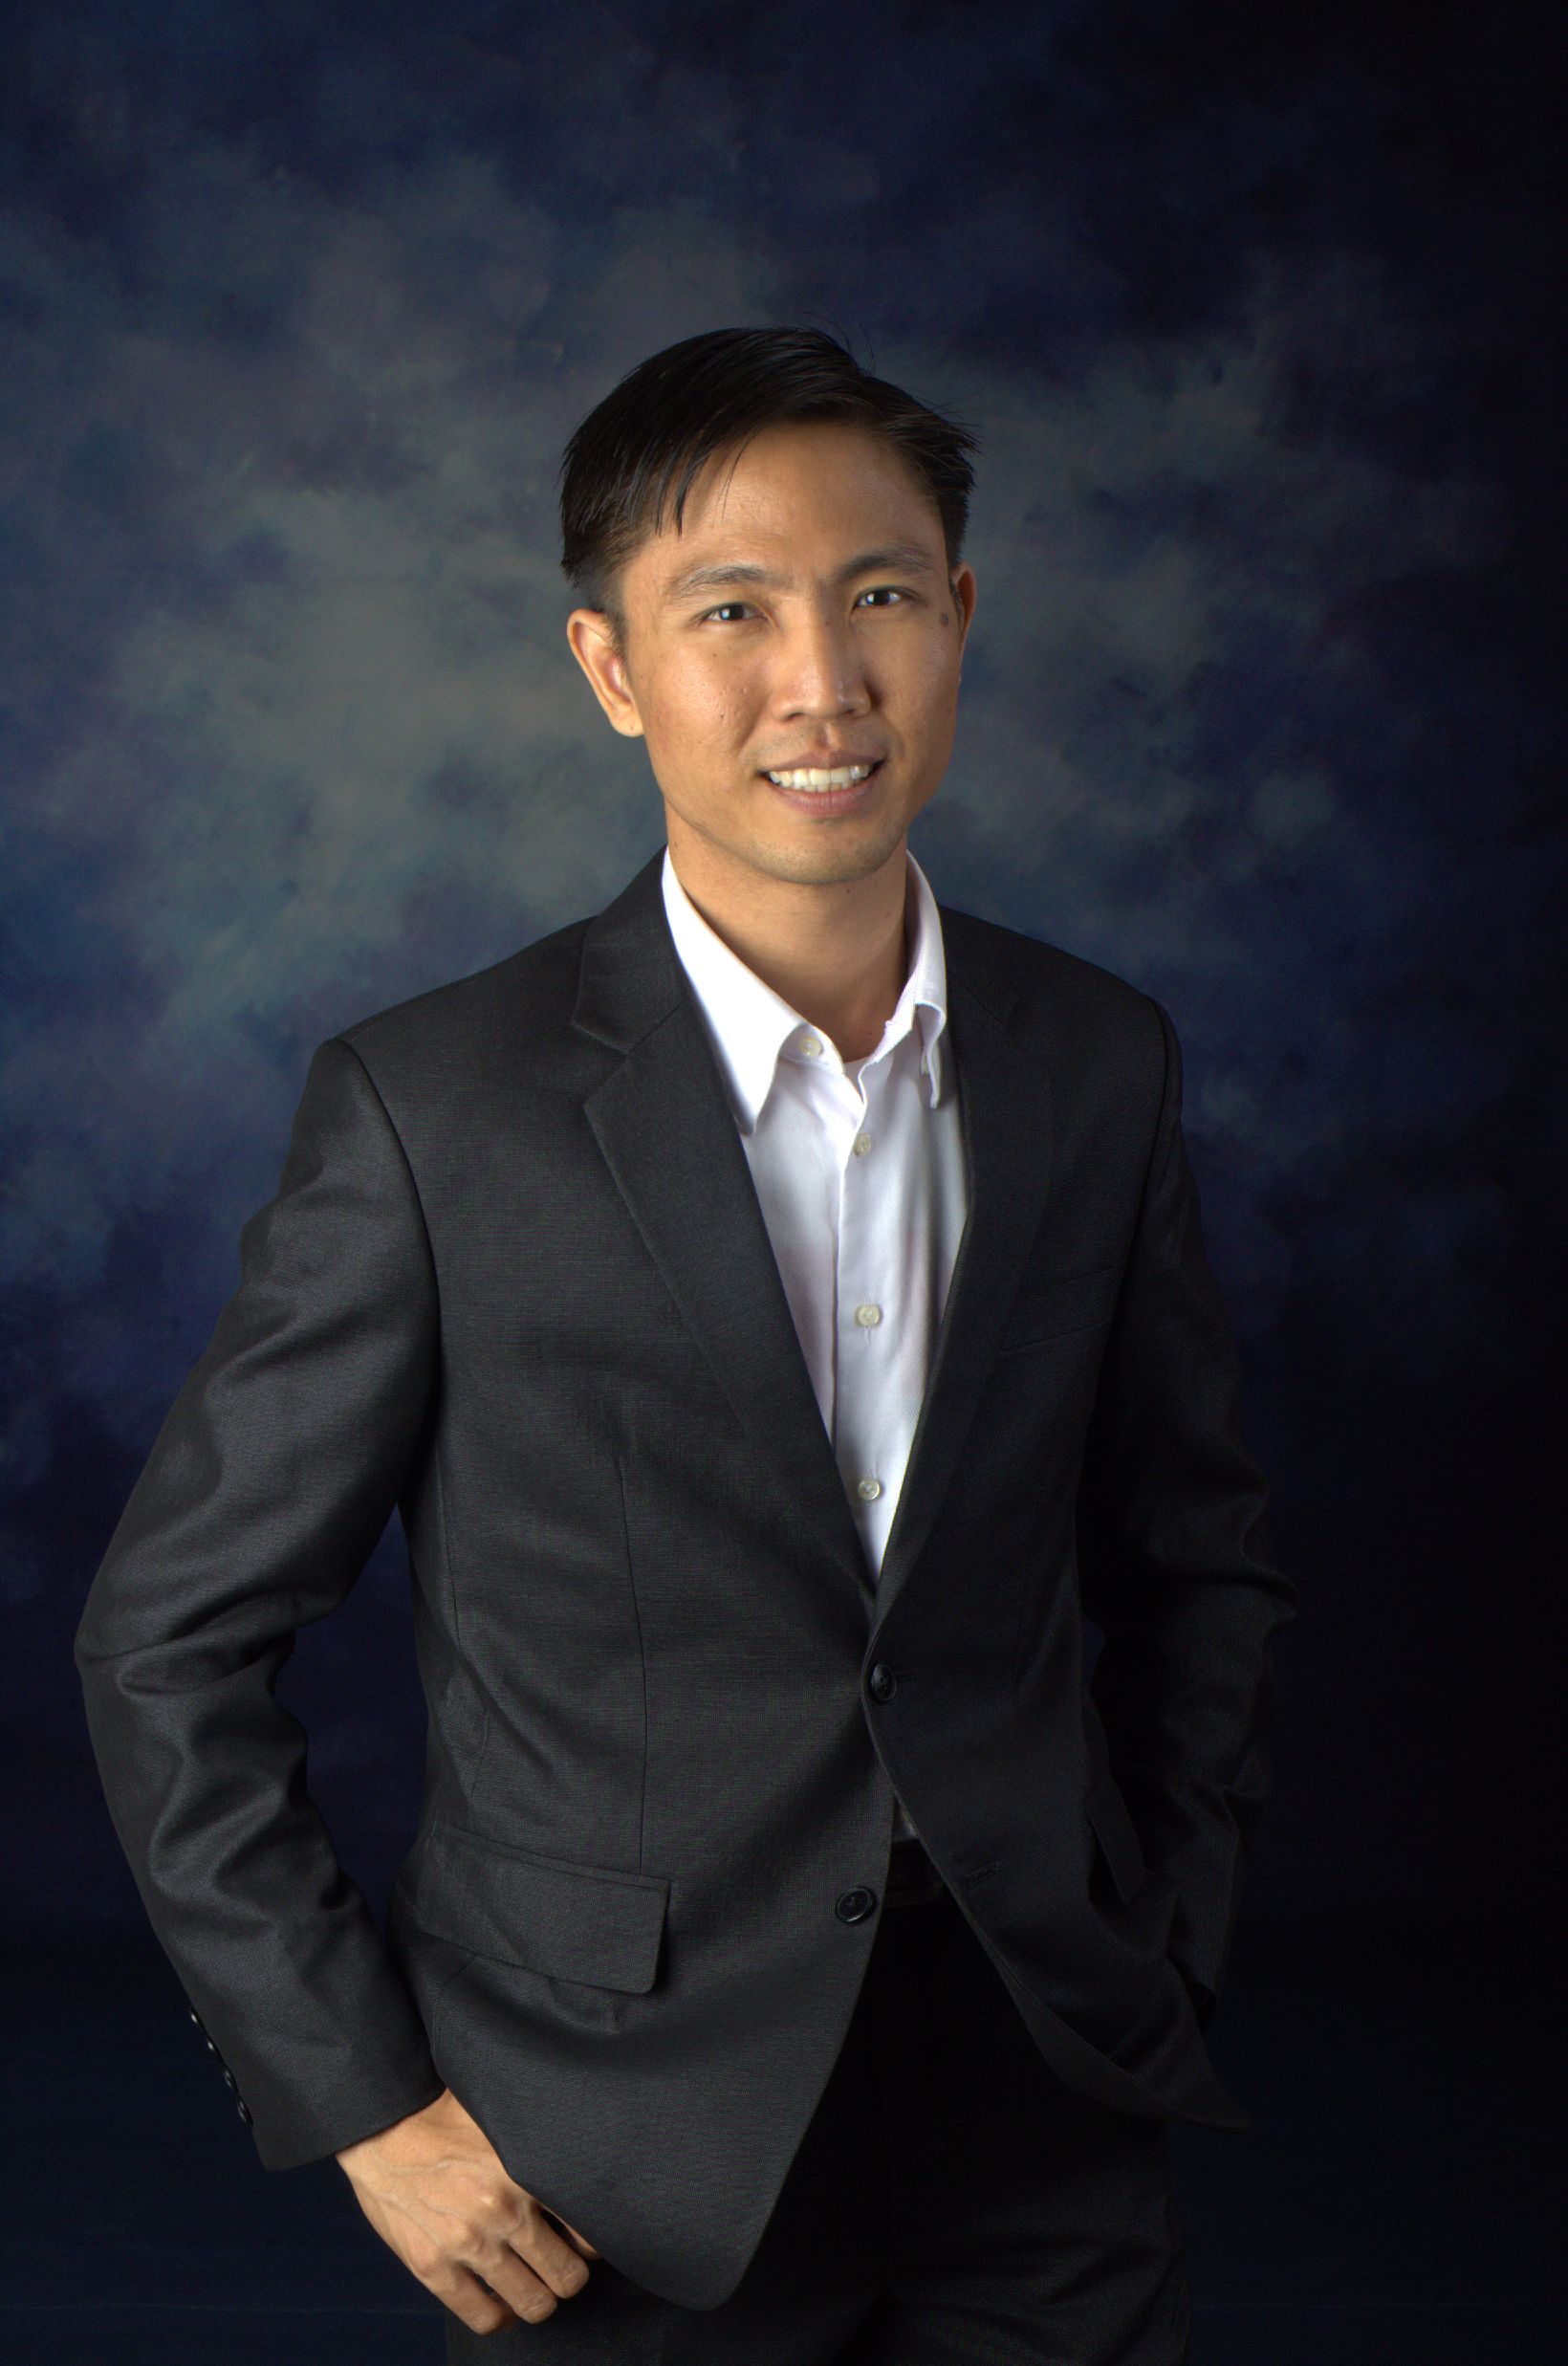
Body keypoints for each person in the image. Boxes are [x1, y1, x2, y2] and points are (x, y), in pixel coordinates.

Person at [76, 324, 1298, 2363]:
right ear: (612, 667)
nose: (823, 682)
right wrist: (366, 2104)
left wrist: (1163, 1942)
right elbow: (168, 1644)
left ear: (960, 616)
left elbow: (1199, 1563)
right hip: (607, 2151)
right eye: (731, 611)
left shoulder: (1096, 1058)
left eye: (880, 596)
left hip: (1045, 2098)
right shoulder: (433, 1108)